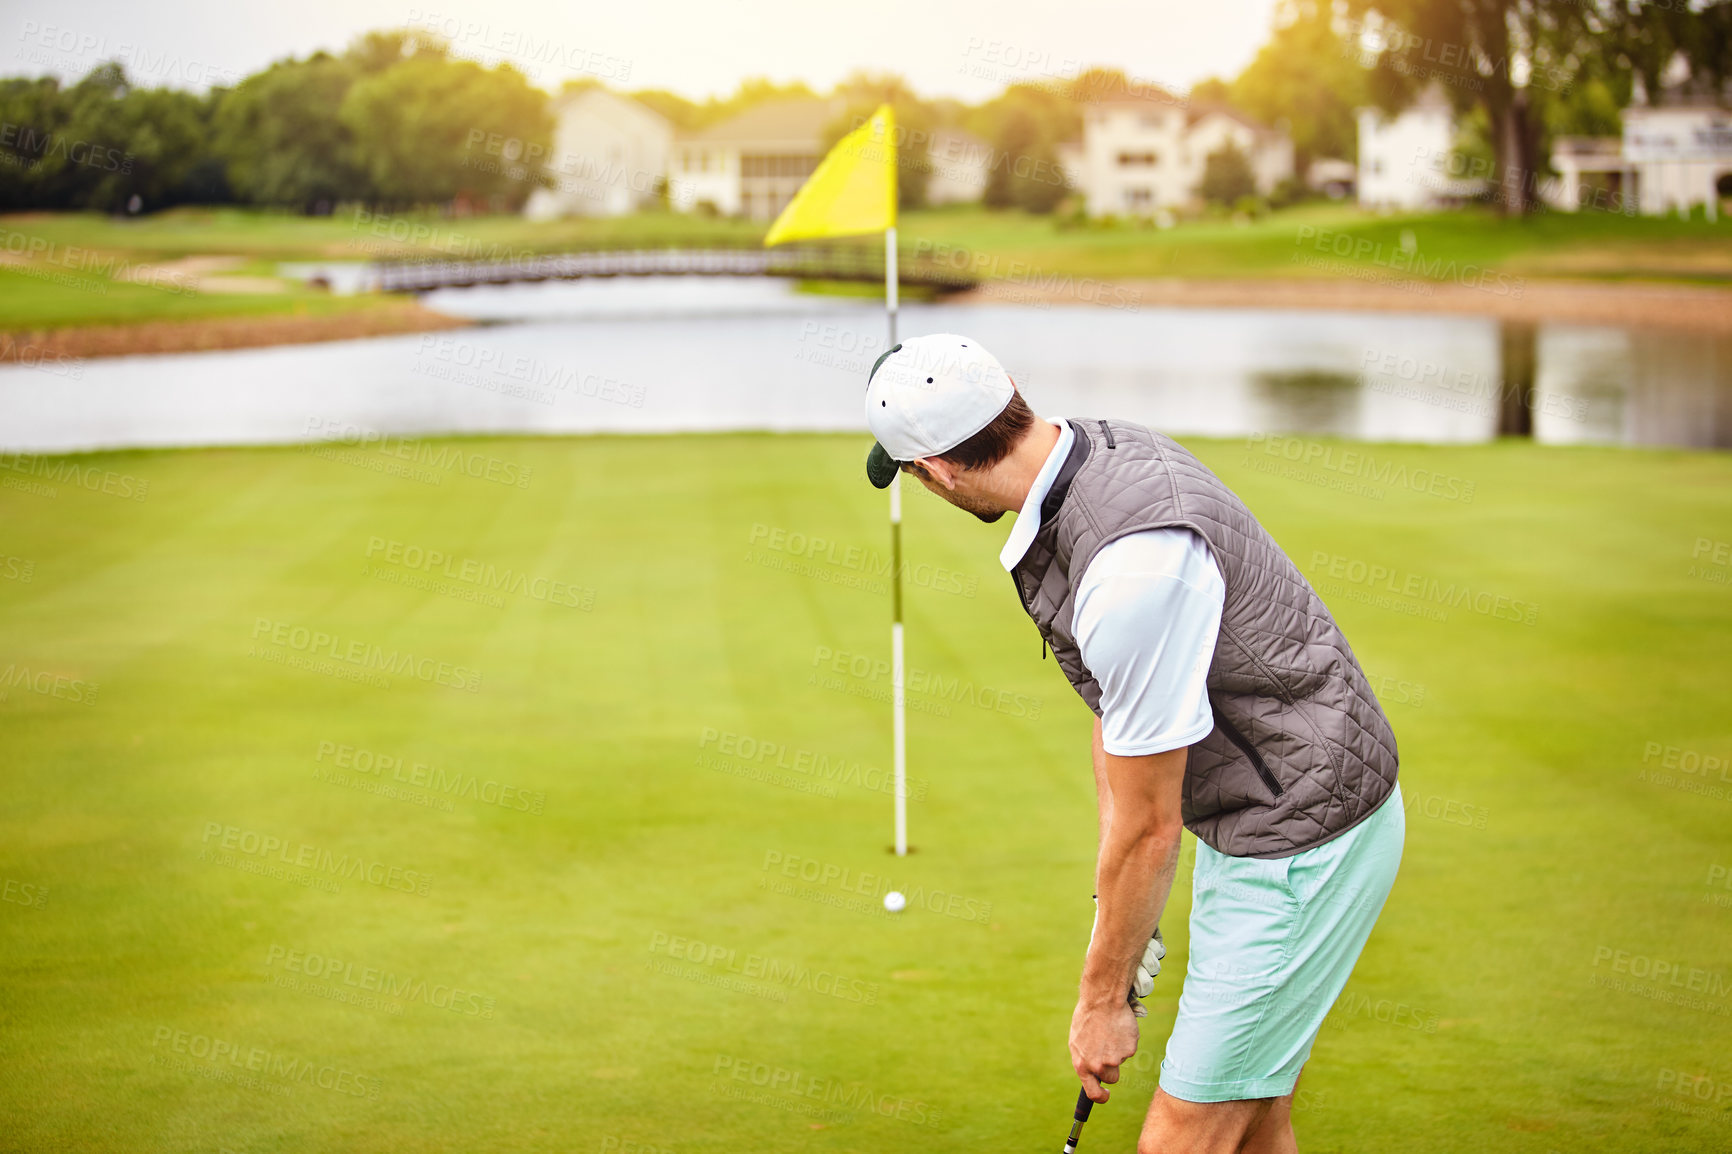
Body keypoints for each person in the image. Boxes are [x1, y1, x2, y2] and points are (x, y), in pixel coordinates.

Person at [863, 334, 1406, 1153]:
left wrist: (1102, 999)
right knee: (1257, 1123)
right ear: (1008, 389)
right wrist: (1117, 915)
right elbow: (1122, 718)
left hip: (1301, 838)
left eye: (908, 471)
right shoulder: (1100, 452)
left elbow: (1151, 825)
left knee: (1181, 1137)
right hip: (1268, 807)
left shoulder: (1130, 574)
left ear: (936, 471)